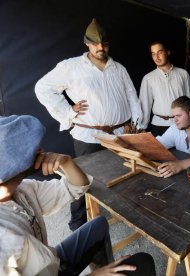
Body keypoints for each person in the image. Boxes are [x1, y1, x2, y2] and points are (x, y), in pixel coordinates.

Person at [0, 115, 156, 275]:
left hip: (51, 265)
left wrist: (66, 162)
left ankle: (106, 267)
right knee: (142, 263)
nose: (39, 151)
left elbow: (76, 187)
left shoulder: (23, 190)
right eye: (24, 150)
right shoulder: (4, 241)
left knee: (98, 224)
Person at [35, 18, 143, 231]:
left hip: (119, 133)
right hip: (88, 136)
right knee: (82, 179)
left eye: (104, 44)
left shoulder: (118, 68)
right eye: (95, 44)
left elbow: (132, 95)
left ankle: (116, 213)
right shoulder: (71, 66)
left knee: (119, 174)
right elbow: (42, 88)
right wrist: (67, 111)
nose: (100, 48)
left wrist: (135, 122)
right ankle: (78, 224)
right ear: (86, 43)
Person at [139, 41, 190, 137]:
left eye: (160, 52)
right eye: (153, 54)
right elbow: (145, 105)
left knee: (181, 152)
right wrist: (142, 127)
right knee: (159, 152)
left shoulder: (183, 74)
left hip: (181, 124)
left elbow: (189, 100)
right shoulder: (148, 78)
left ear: (167, 52)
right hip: (158, 125)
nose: (156, 57)